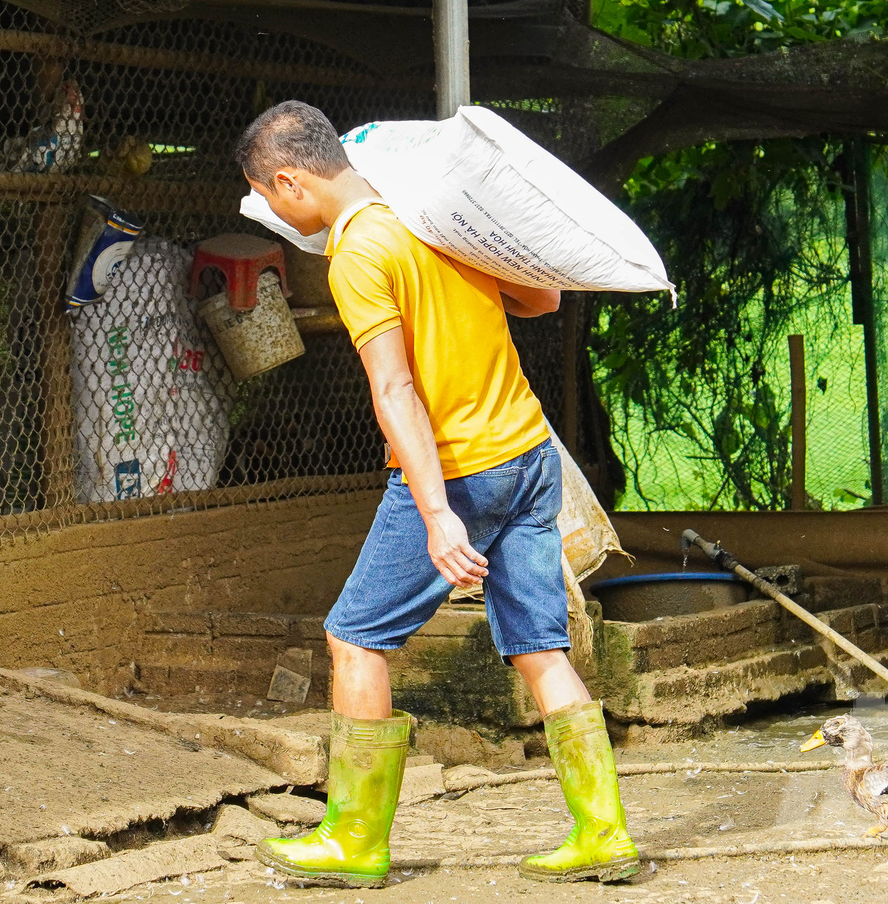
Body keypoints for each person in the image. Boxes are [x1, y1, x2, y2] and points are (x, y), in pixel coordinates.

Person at [234, 101, 638, 887]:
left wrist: (436, 512)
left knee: (355, 636)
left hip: (462, 468)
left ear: (290, 179)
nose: (277, 213)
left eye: (269, 197)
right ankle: (603, 830)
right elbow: (544, 299)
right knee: (539, 647)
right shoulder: (431, 215)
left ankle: (354, 837)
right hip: (528, 452)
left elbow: (395, 392)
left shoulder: (359, 250)